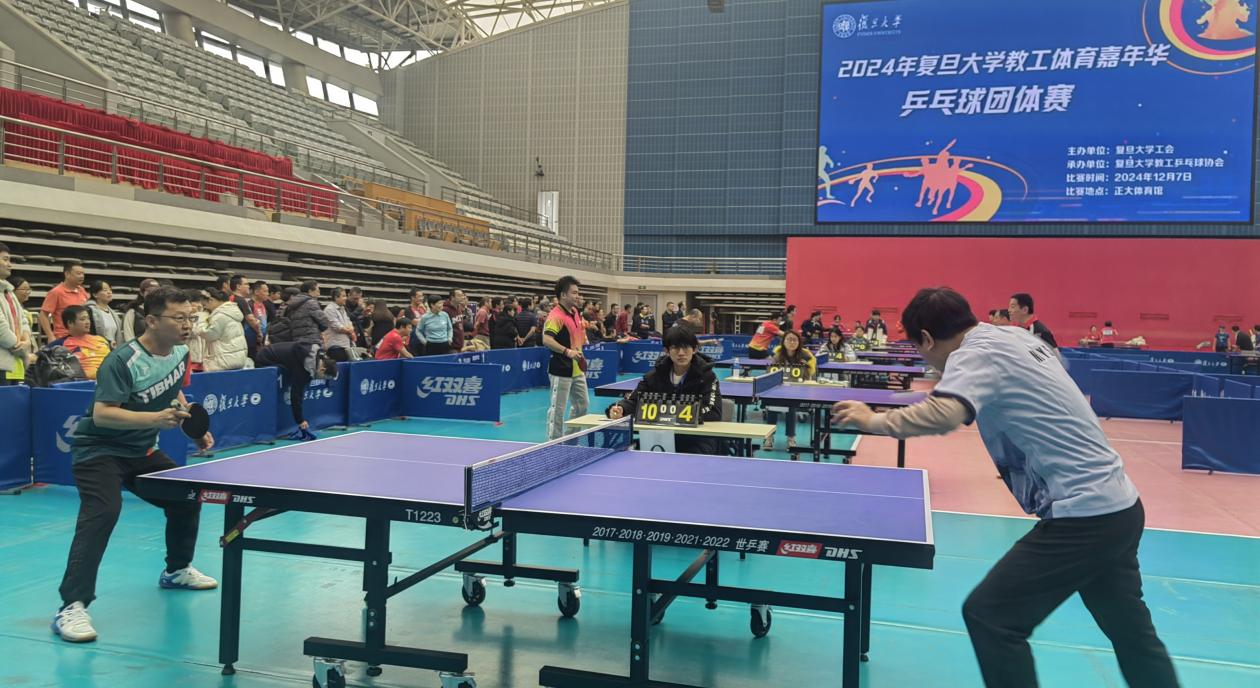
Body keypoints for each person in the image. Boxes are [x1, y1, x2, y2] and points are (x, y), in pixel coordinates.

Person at [831, 287, 1177, 688]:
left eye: (920, 350)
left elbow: (946, 413)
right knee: (1131, 633)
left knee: (990, 616)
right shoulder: (1013, 336)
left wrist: (873, 420)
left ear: (926, 338)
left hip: (1084, 516)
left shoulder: (974, 354)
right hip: (1121, 507)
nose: (926, 361)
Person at [54, 286, 217, 644]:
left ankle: (176, 570)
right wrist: (155, 419)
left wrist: (191, 425)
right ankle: (72, 605)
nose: (187, 325)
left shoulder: (180, 352)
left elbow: (172, 390)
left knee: (186, 495)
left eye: (191, 317)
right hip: (100, 451)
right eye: (179, 318)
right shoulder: (122, 360)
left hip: (141, 451)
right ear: (152, 321)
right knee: (103, 513)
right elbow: (103, 414)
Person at [607, 326, 724, 454]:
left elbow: (714, 411)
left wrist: (672, 413)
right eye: (675, 348)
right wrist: (621, 408)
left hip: (697, 438)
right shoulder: (654, 376)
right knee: (626, 453)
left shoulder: (707, 377)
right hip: (659, 436)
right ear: (667, 351)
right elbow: (635, 401)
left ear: (694, 349)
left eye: (686, 347)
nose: (681, 353)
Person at [255, 340, 339, 440]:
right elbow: (296, 395)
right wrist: (300, 420)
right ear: (322, 370)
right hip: (264, 359)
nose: (323, 379)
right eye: (325, 377)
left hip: (272, 354)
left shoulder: (317, 356)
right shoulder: (303, 370)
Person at [542, 276, 589, 440]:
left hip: (577, 369)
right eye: (574, 293)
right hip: (561, 369)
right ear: (563, 295)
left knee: (582, 405)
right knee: (558, 410)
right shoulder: (555, 315)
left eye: (578, 293)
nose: (578, 296)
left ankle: (570, 440)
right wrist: (568, 352)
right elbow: (546, 339)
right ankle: (554, 444)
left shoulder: (575, 312)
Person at [764, 330, 816, 451]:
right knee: (772, 404)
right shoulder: (777, 356)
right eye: (789, 339)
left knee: (791, 406)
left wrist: (806, 367)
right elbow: (769, 374)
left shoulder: (805, 356)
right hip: (778, 391)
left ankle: (791, 437)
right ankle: (769, 436)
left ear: (799, 342)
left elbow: (809, 377)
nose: (792, 342)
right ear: (783, 342)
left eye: (794, 340)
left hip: (796, 391)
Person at [0, 246, 35, 386]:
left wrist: (27, 340)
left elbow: (23, 320)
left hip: (15, 364)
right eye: (5, 259)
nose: (9, 264)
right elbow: (1, 329)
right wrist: (21, 349)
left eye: (10, 260)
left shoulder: (9, 291)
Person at [195, 289, 249, 372]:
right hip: (234, 357)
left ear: (211, 300)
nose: (205, 308)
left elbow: (208, 334)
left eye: (204, 305)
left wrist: (201, 316)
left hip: (224, 360)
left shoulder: (220, 315)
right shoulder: (230, 311)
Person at [54, 305, 113, 380]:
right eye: (82, 319)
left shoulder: (101, 339)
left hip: (112, 378)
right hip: (85, 383)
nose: (87, 322)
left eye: (88, 318)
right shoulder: (59, 345)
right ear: (70, 323)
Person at [40, 260, 88, 341]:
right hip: (63, 337)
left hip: (82, 336)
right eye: (78, 273)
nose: (82, 276)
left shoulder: (82, 290)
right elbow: (43, 315)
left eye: (83, 274)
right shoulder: (56, 292)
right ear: (67, 274)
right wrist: (50, 335)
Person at [279, 281, 330, 347]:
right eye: (317, 290)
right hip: (311, 340)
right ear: (310, 291)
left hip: (294, 340)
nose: (319, 293)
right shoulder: (311, 303)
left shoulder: (292, 303)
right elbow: (324, 322)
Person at [322, 288, 359, 361]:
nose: (346, 298)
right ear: (336, 297)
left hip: (345, 345)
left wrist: (351, 329)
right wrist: (350, 331)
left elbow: (349, 322)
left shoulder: (342, 308)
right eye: (343, 296)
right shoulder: (329, 309)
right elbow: (337, 327)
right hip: (335, 346)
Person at [85, 281, 123, 348]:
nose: (109, 292)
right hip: (96, 349)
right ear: (95, 294)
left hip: (113, 349)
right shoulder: (89, 311)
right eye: (105, 290)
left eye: (110, 290)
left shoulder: (113, 313)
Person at [249, 281, 276, 349]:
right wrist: (258, 333)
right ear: (256, 292)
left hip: (262, 341)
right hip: (251, 341)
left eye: (268, 291)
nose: (267, 294)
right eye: (265, 291)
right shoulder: (249, 305)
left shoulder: (264, 305)